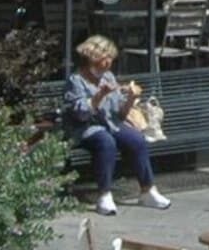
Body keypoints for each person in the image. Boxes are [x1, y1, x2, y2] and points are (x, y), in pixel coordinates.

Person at [64, 34, 169, 213]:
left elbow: (119, 113)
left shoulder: (108, 76)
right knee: (106, 142)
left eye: (111, 59)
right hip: (86, 128)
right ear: (93, 58)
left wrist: (131, 99)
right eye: (106, 59)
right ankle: (104, 194)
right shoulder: (76, 80)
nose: (109, 63)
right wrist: (99, 96)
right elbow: (80, 114)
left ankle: (147, 190)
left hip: (111, 123)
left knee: (136, 139)